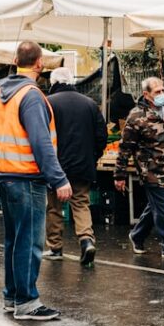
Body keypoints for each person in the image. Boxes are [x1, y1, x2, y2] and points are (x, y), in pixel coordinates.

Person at [0, 41, 71, 321]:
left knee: (14, 238)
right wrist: (58, 178)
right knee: (31, 240)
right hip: (27, 177)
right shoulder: (32, 95)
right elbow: (40, 141)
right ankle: (26, 301)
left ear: (15, 60)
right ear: (39, 64)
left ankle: (12, 296)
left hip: (4, 174)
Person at [115, 77, 164, 261]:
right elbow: (125, 148)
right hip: (151, 171)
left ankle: (137, 235)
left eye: (163, 90)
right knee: (162, 208)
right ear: (146, 95)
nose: (162, 94)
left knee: (157, 206)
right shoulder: (136, 116)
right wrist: (120, 174)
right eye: (157, 92)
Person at [42, 67, 107, 266]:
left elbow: (42, 135)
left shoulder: (47, 103)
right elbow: (101, 136)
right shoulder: (89, 103)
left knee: (53, 206)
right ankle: (86, 241)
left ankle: (55, 247)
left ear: (53, 83)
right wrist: (94, 156)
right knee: (81, 203)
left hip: (55, 165)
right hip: (82, 164)